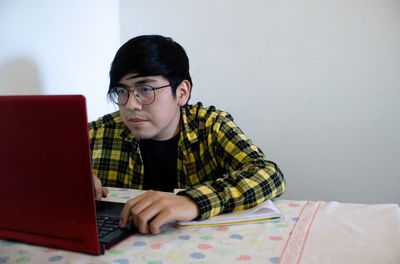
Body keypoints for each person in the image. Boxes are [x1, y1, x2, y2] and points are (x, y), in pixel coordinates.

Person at [89, 35, 285, 234]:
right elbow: (56, 163)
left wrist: (192, 201)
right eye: (122, 91)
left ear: (182, 92)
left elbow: (269, 174)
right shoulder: (100, 132)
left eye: (145, 89)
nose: (130, 104)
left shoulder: (211, 126)